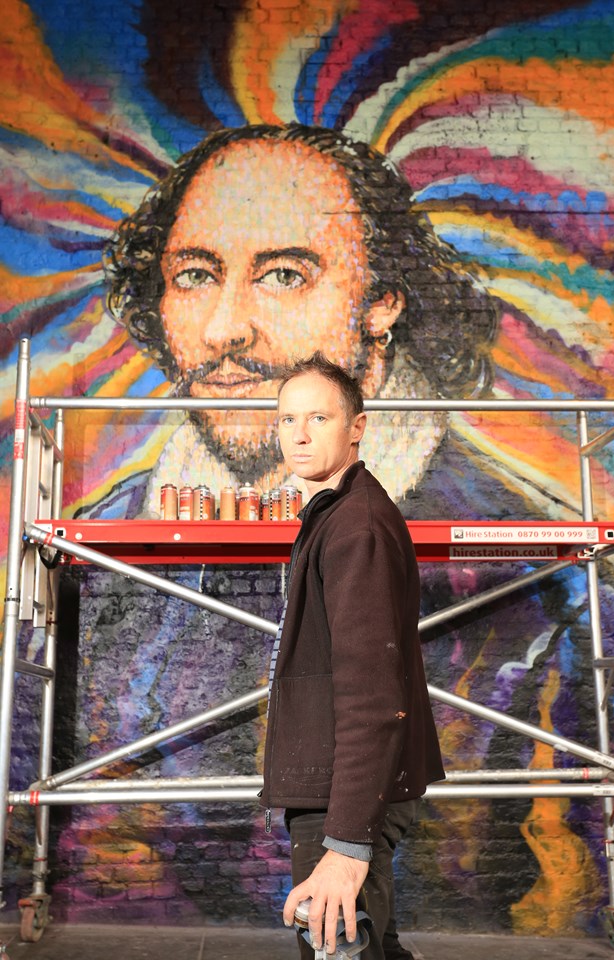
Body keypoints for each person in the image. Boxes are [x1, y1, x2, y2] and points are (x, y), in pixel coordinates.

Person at [88, 122, 497, 518]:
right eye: (195, 276)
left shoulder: (507, 546)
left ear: (381, 304)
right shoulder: (108, 532)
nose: (223, 331)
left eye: (284, 276)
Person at [261, 352, 444, 960]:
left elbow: (373, 695)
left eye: (319, 417)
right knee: (372, 946)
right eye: (288, 419)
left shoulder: (356, 526)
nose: (301, 433)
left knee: (339, 948)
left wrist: (344, 845)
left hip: (343, 796)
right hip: (338, 788)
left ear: (357, 427)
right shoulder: (333, 516)